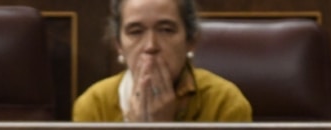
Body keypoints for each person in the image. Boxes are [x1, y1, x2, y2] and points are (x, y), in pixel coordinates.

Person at [73, 0, 251, 122]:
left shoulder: (225, 102)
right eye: (135, 31)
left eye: (166, 30)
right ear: (119, 45)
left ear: (191, 41)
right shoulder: (94, 106)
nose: (151, 46)